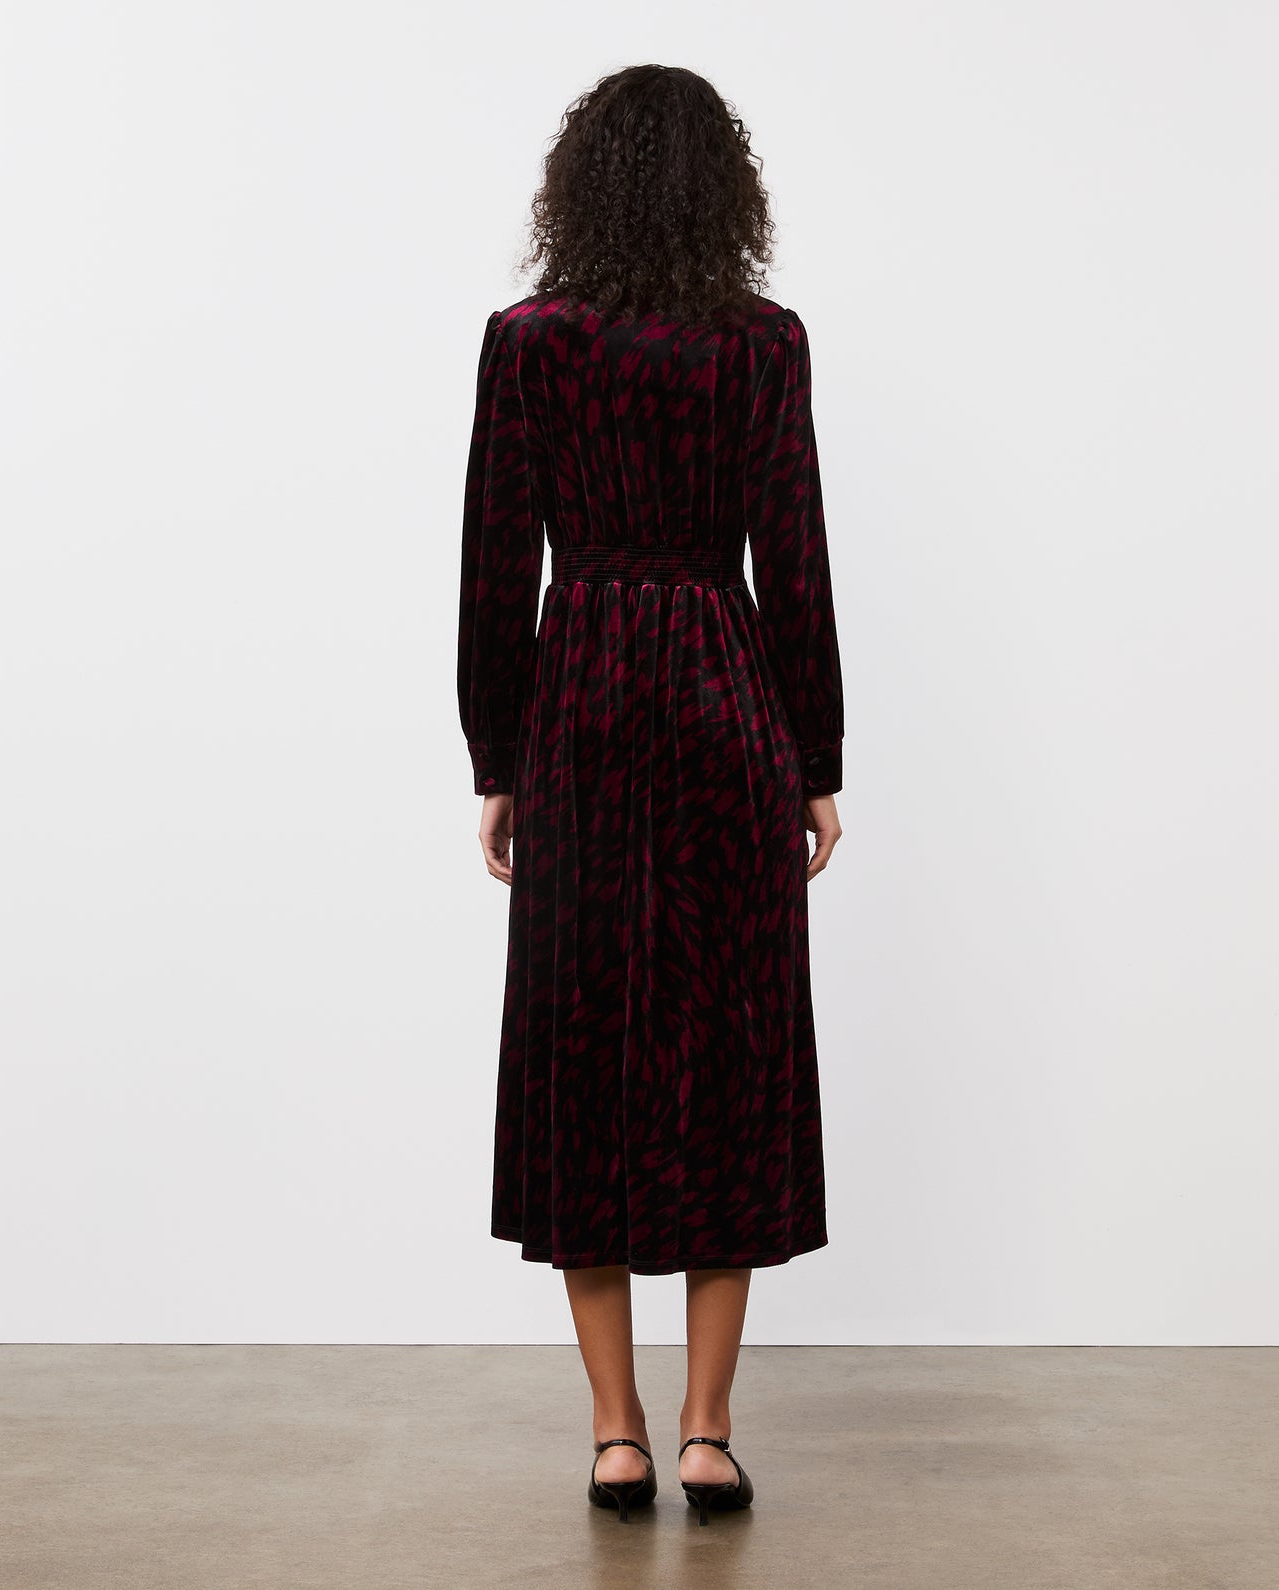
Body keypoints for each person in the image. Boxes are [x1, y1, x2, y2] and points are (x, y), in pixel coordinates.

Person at [456, 63, 845, 1526]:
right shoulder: (761, 344)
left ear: (579, 186)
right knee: (725, 1053)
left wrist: (495, 757)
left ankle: (613, 1429)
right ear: (721, 191)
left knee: (583, 1054)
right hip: (725, 698)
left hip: (582, 707)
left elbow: (500, 564)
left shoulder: (527, 343)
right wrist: (813, 758)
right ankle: (706, 1429)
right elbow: (791, 558)